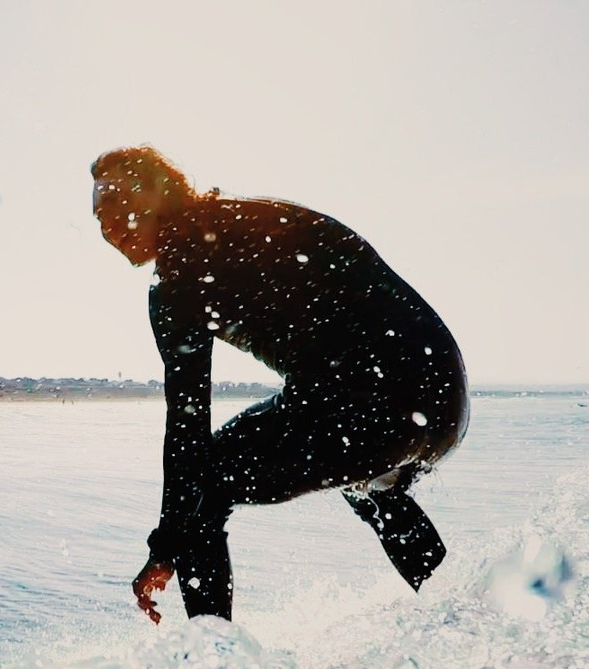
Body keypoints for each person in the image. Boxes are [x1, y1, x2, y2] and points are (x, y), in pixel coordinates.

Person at [91, 145, 469, 623]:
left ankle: (214, 668)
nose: (103, 225)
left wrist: (167, 544)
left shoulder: (177, 283)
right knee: (373, 486)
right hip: (442, 399)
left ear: (157, 194)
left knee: (204, 488)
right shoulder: (255, 216)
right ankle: (468, 620)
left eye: (112, 206)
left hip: (370, 400)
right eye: (97, 215)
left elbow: (187, 428)